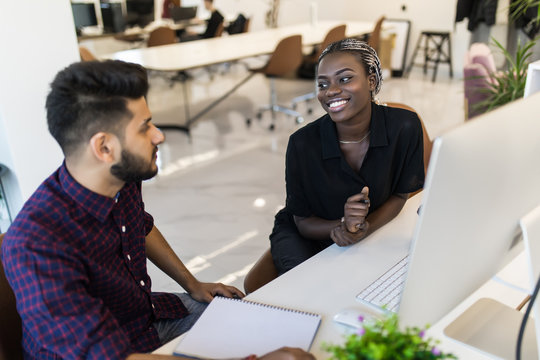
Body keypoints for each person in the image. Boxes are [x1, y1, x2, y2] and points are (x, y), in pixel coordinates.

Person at [0, 60, 313, 360]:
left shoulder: (120, 175)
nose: (159, 135)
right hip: (110, 351)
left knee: (257, 323)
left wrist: (193, 285)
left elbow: (141, 226)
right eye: (145, 127)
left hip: (143, 319)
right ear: (104, 147)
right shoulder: (35, 246)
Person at [269, 38, 425, 276]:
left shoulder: (404, 126)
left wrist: (363, 227)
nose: (331, 91)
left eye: (344, 79)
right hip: (308, 238)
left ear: (371, 81)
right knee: (313, 292)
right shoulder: (302, 143)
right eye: (323, 84)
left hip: (363, 232)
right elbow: (301, 222)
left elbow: (400, 194)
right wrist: (341, 227)